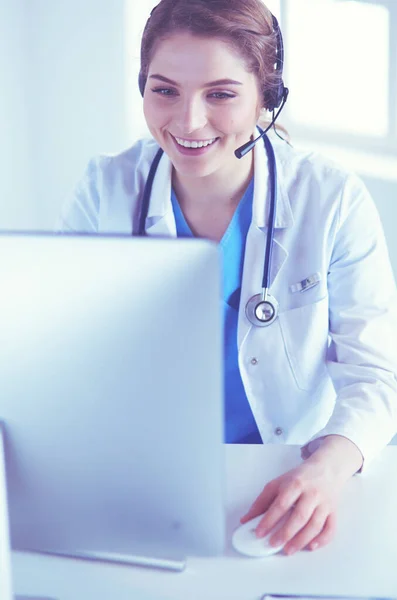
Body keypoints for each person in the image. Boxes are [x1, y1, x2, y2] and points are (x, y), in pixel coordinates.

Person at [57, 0, 397, 556]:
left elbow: (378, 376)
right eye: (164, 90)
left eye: (221, 94)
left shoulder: (331, 199)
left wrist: (327, 470)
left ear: (268, 98)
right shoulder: (105, 190)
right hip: (148, 478)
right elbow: (60, 351)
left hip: (291, 473)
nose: (189, 122)